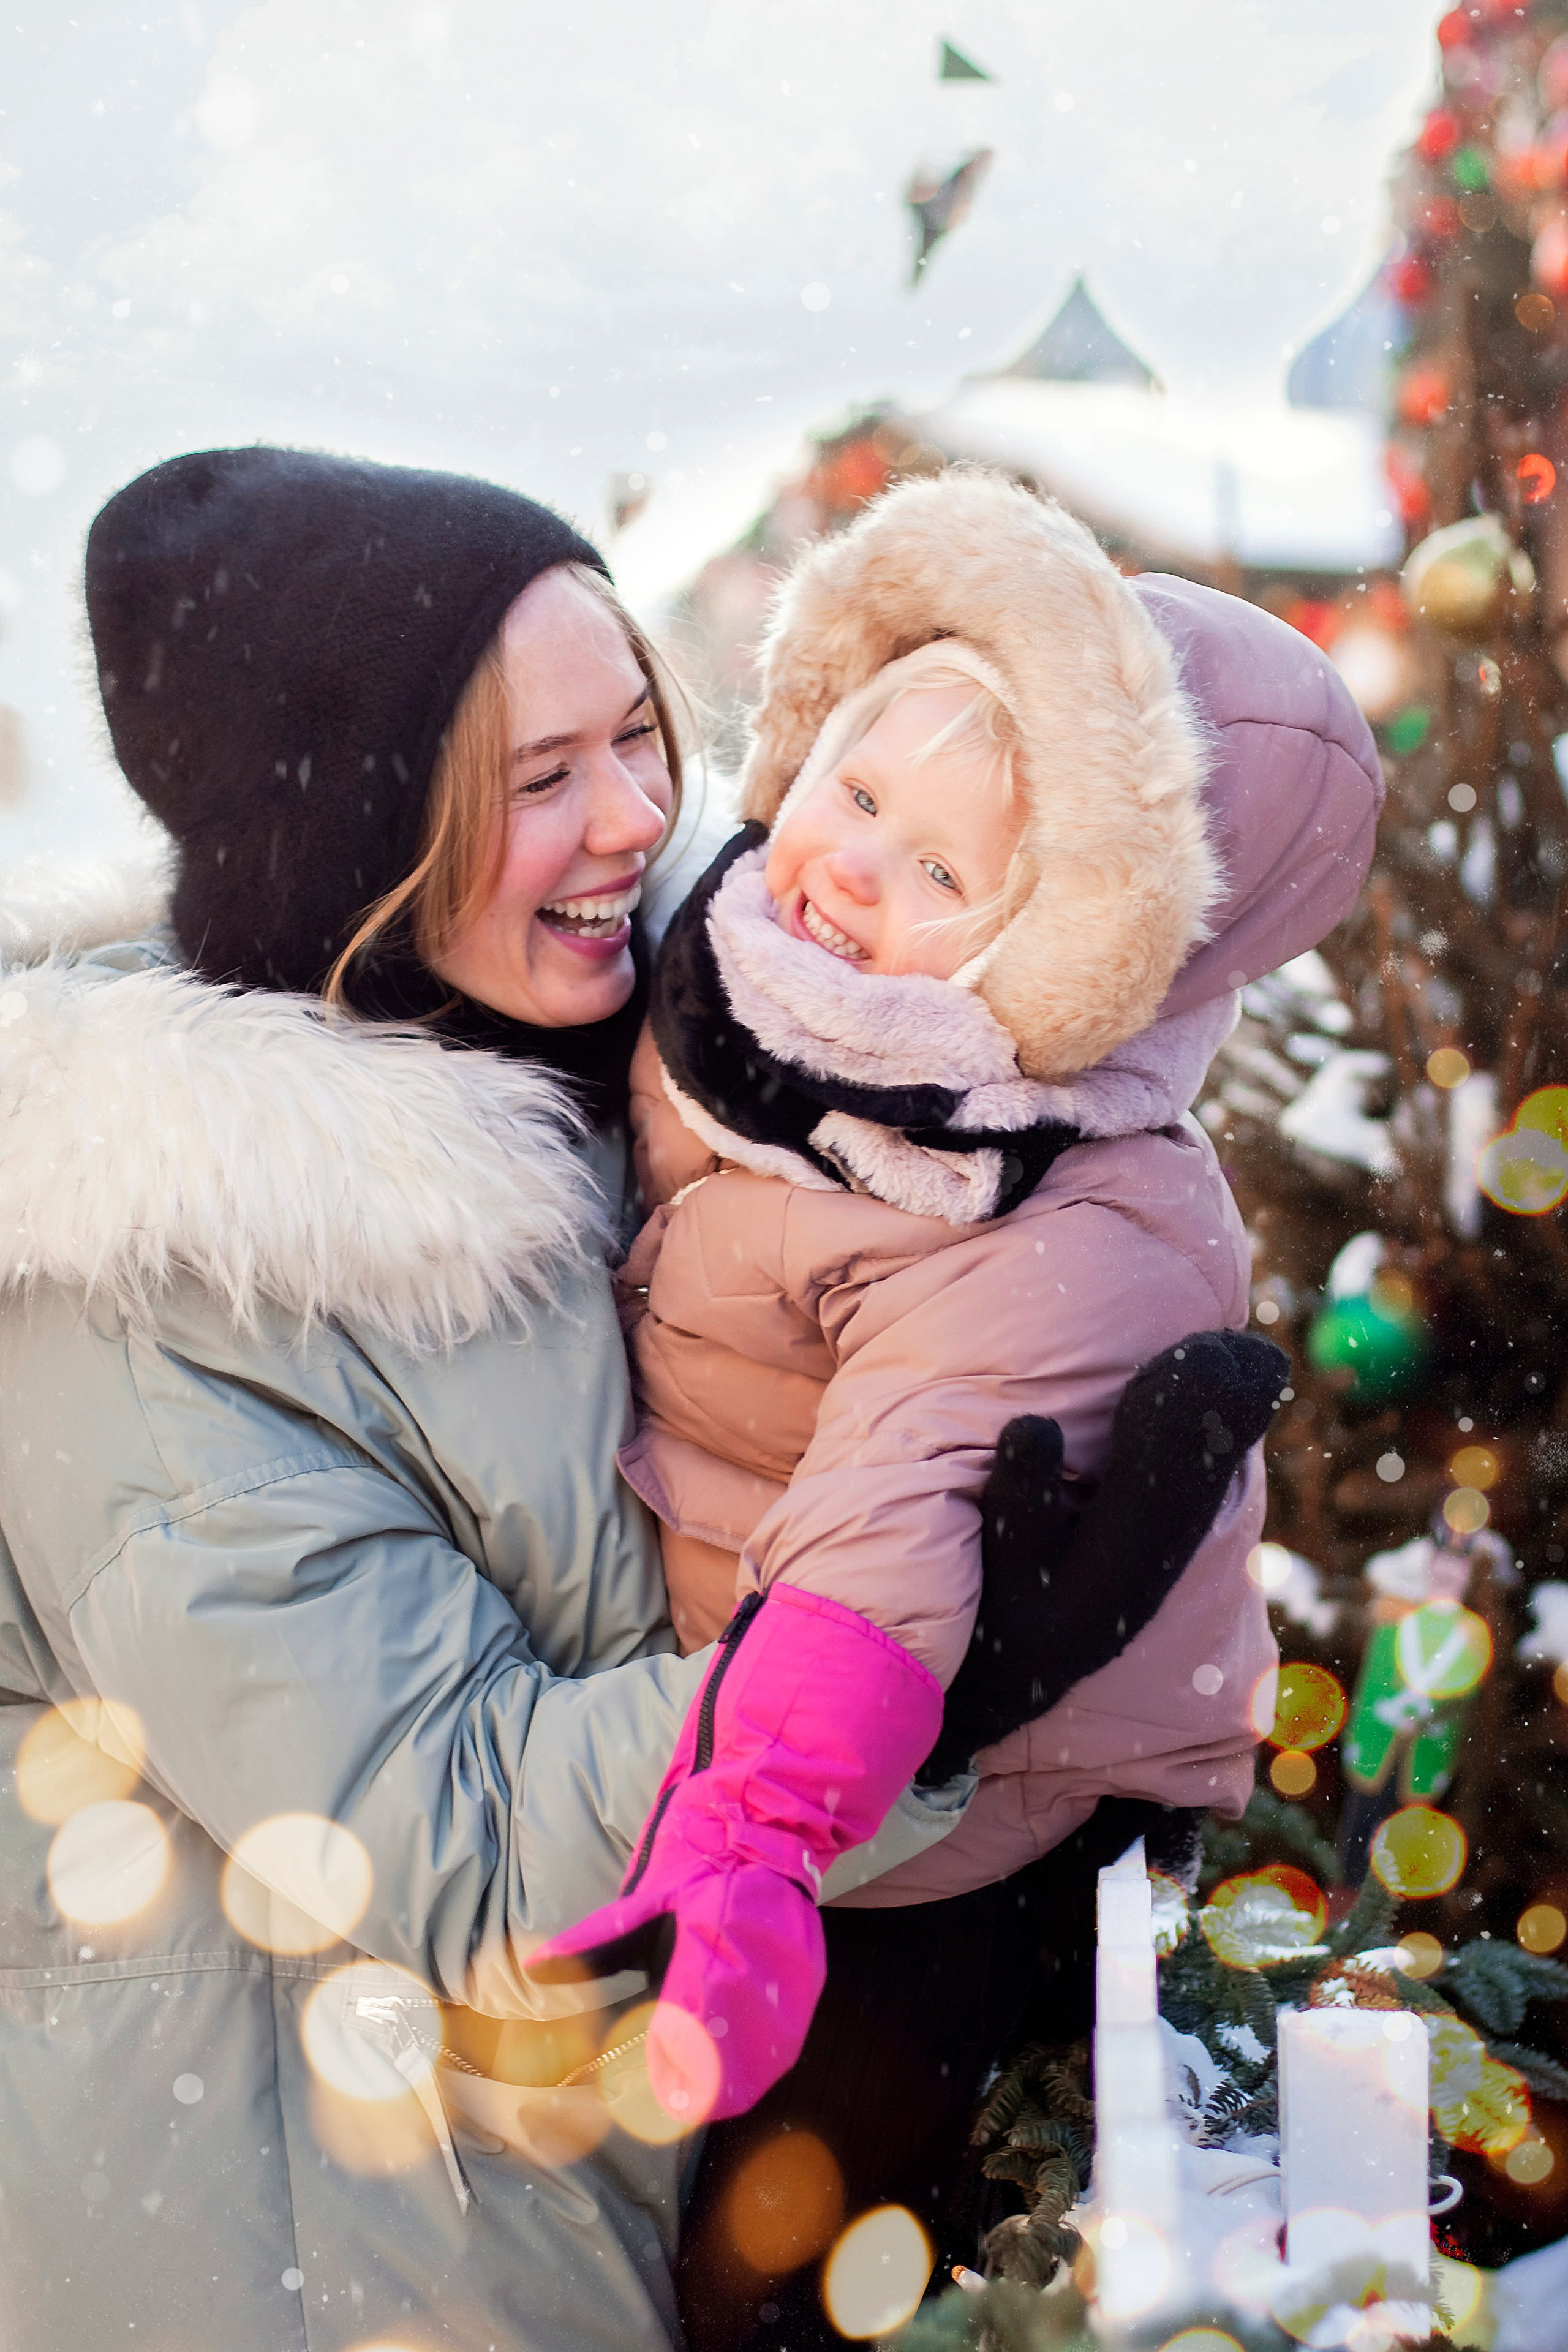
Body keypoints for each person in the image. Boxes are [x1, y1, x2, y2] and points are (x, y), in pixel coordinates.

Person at [529, 471, 1385, 2345]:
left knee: (791, 2262)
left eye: (946, 876)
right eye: (858, 795)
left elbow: (898, 1504)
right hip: (799, 1732)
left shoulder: (1078, 1206)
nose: (850, 874)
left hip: (966, 1799)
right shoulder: (765, 989)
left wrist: (754, 1831)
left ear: (1083, 943)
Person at [0, 443, 769, 2352]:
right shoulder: (158, 1282)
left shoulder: (621, 1097)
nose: (636, 819)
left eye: (640, 736)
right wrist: (912, 1680)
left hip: (556, 2207)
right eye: (541, 779)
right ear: (356, 837)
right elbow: (450, 1835)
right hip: (315, 2269)